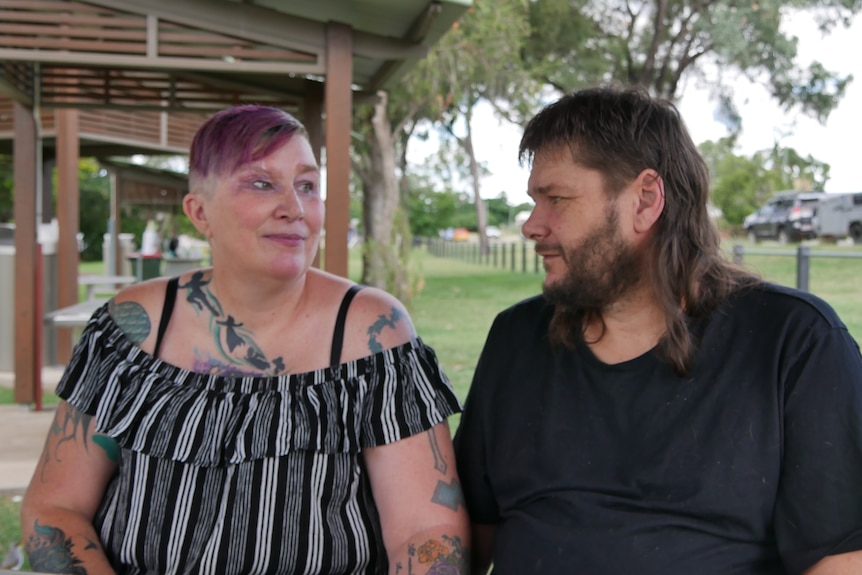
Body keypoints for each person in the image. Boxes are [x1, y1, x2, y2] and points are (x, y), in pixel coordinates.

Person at [22, 105, 470, 575]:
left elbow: (426, 530)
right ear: (199, 212)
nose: (294, 209)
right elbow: (55, 510)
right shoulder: (132, 330)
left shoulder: (372, 333)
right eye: (261, 183)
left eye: (307, 186)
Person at [453, 85, 862, 575]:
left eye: (556, 199)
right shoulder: (516, 339)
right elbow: (469, 534)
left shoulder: (791, 342)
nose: (531, 226)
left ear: (645, 199)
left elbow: (839, 558)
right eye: (534, 201)